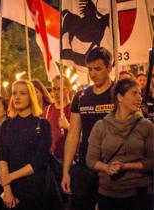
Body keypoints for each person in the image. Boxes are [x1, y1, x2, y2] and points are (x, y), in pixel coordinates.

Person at [86, 78, 153, 210]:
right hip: (108, 194)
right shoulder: (101, 126)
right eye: (134, 93)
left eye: (140, 93)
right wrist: (106, 168)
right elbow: (90, 159)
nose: (139, 98)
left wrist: (126, 166)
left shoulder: (147, 126)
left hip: (138, 194)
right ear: (120, 97)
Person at [61, 47, 115, 210]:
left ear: (109, 68)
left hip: (113, 168)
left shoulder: (120, 93)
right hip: (85, 166)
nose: (93, 74)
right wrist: (66, 171)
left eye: (98, 68)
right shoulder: (80, 97)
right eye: (90, 69)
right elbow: (73, 135)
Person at [0, 80, 62, 210]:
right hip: (14, 188)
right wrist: (7, 189)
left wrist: (10, 177)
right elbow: (2, 157)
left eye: (22, 93)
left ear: (31, 96)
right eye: (14, 93)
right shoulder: (7, 125)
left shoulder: (42, 124)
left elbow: (41, 160)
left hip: (37, 187)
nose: (17, 97)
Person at [43, 76, 72, 197]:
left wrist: (68, 126)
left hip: (69, 160)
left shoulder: (73, 109)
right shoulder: (47, 109)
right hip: (51, 159)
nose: (55, 92)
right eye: (54, 89)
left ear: (68, 89)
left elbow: (81, 135)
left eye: (59, 89)